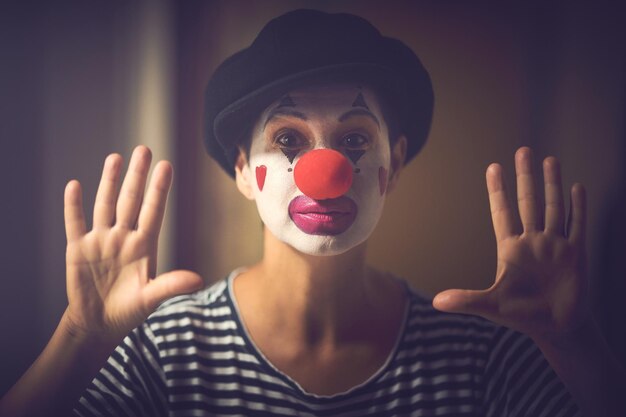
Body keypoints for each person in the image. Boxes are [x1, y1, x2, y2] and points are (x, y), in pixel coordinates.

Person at [1, 9, 624, 417]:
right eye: (288, 141)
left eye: (355, 140)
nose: (323, 172)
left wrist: (576, 345)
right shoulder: (166, 352)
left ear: (395, 164)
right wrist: (81, 340)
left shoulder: (483, 355)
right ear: (244, 171)